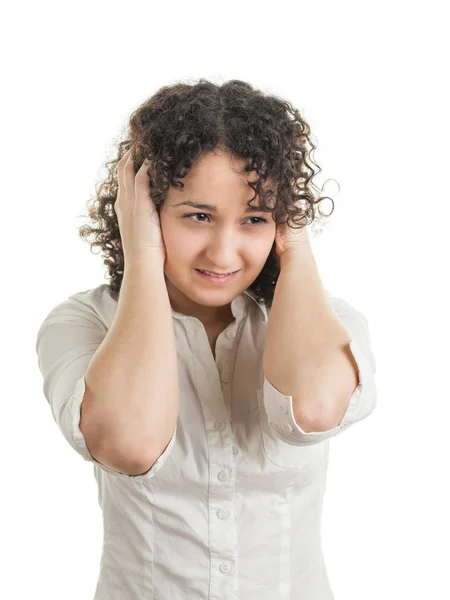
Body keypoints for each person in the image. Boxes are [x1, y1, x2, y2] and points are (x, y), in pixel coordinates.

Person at [35, 79, 377, 600]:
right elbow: (130, 444)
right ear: (146, 210)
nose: (223, 254)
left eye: (255, 219)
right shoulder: (82, 323)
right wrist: (143, 256)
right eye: (198, 216)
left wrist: (296, 243)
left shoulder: (326, 318)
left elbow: (313, 409)